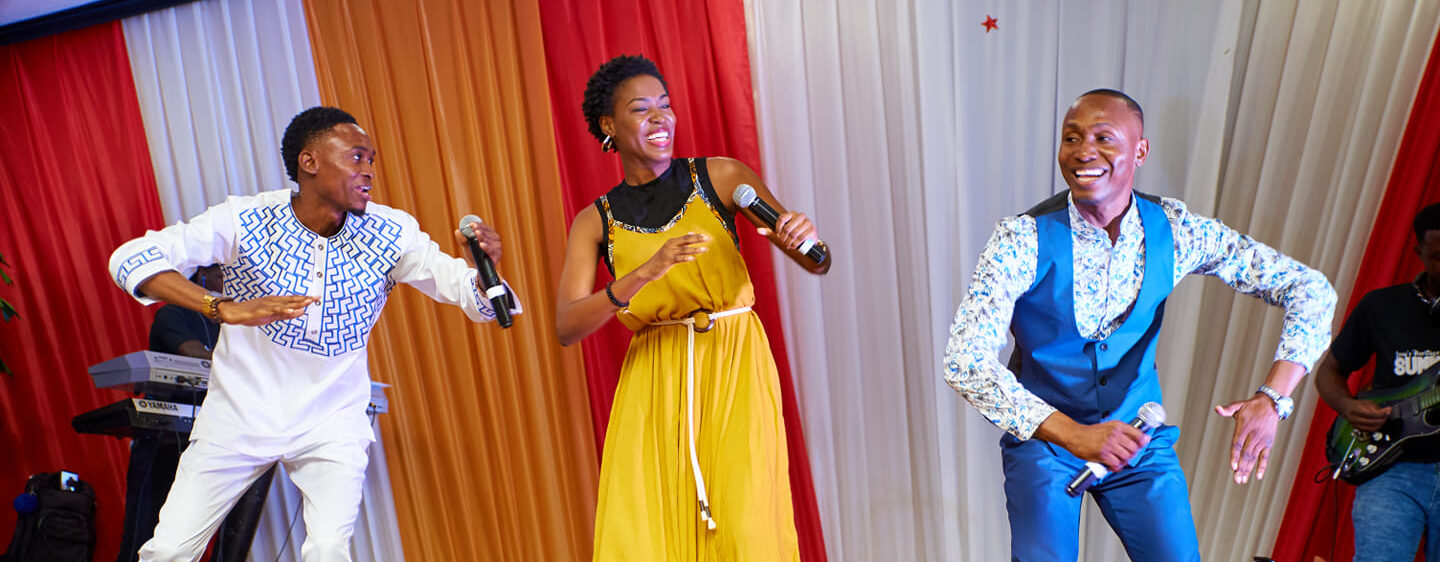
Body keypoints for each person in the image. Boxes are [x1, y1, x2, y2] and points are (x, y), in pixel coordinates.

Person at [108, 106, 518, 562]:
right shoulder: (244, 219)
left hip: (332, 419)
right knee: (168, 550)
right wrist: (222, 307)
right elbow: (130, 259)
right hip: (239, 414)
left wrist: (484, 271)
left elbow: (476, 299)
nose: (369, 170)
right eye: (357, 157)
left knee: (327, 549)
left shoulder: (391, 232)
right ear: (310, 162)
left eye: (372, 159)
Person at [943, 89, 1336, 560]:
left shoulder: (1176, 230)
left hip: (1138, 439)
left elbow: (1310, 289)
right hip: (1047, 442)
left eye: (1103, 138)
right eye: (1071, 138)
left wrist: (1273, 398)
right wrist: (1074, 434)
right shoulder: (1020, 239)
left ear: (1140, 151)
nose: (1083, 151)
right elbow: (964, 361)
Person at [555, 55, 829, 561]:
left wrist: (804, 236)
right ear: (609, 126)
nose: (660, 118)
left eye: (665, 105)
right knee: (649, 535)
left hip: (734, 363)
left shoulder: (722, 176)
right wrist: (643, 273)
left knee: (747, 529)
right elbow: (567, 325)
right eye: (641, 109)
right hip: (653, 381)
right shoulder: (594, 221)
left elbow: (817, 261)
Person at [1314, 203, 1440, 562]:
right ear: (1418, 253)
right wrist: (1349, 406)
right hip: (1390, 467)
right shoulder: (1381, 306)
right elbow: (1329, 372)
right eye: (1439, 256)